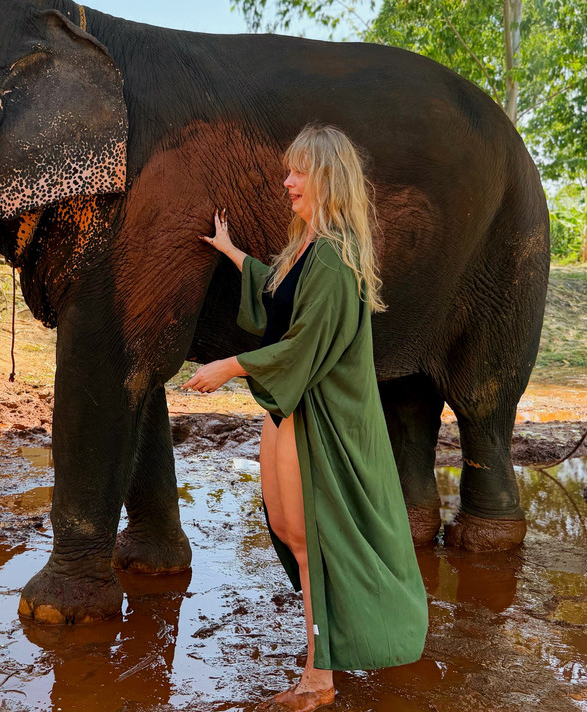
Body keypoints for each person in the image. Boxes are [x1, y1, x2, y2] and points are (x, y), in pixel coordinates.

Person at [183, 124, 427, 712]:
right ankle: (319, 663)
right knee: (294, 537)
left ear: (328, 179)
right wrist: (231, 252)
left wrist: (229, 366)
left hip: (318, 414)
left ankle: (319, 681)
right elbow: (278, 293)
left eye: (299, 172)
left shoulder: (337, 261)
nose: (287, 181)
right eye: (289, 170)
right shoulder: (306, 248)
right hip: (289, 409)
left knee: (312, 542)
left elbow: (303, 346)